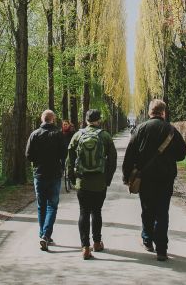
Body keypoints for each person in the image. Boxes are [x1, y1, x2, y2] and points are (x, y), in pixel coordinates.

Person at [122, 99, 186, 261]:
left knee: (147, 209)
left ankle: (147, 240)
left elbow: (130, 154)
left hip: (146, 178)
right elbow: (181, 154)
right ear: (163, 112)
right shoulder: (171, 130)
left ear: (150, 112)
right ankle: (162, 249)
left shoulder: (140, 129)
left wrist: (126, 175)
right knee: (162, 212)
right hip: (165, 178)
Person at [66, 109, 117, 260]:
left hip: (83, 181)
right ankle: (96, 242)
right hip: (99, 181)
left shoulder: (78, 135)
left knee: (83, 212)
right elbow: (113, 159)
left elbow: (69, 158)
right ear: (99, 120)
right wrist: (107, 178)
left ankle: (85, 247)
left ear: (86, 120)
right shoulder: (105, 136)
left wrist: (72, 178)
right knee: (97, 211)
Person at [25, 109, 66, 251]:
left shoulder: (34, 134)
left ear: (42, 119)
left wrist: (38, 161)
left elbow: (28, 155)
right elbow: (64, 154)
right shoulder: (59, 134)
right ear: (53, 119)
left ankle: (43, 233)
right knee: (52, 206)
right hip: (54, 174)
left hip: (39, 174)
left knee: (41, 205)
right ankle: (46, 235)